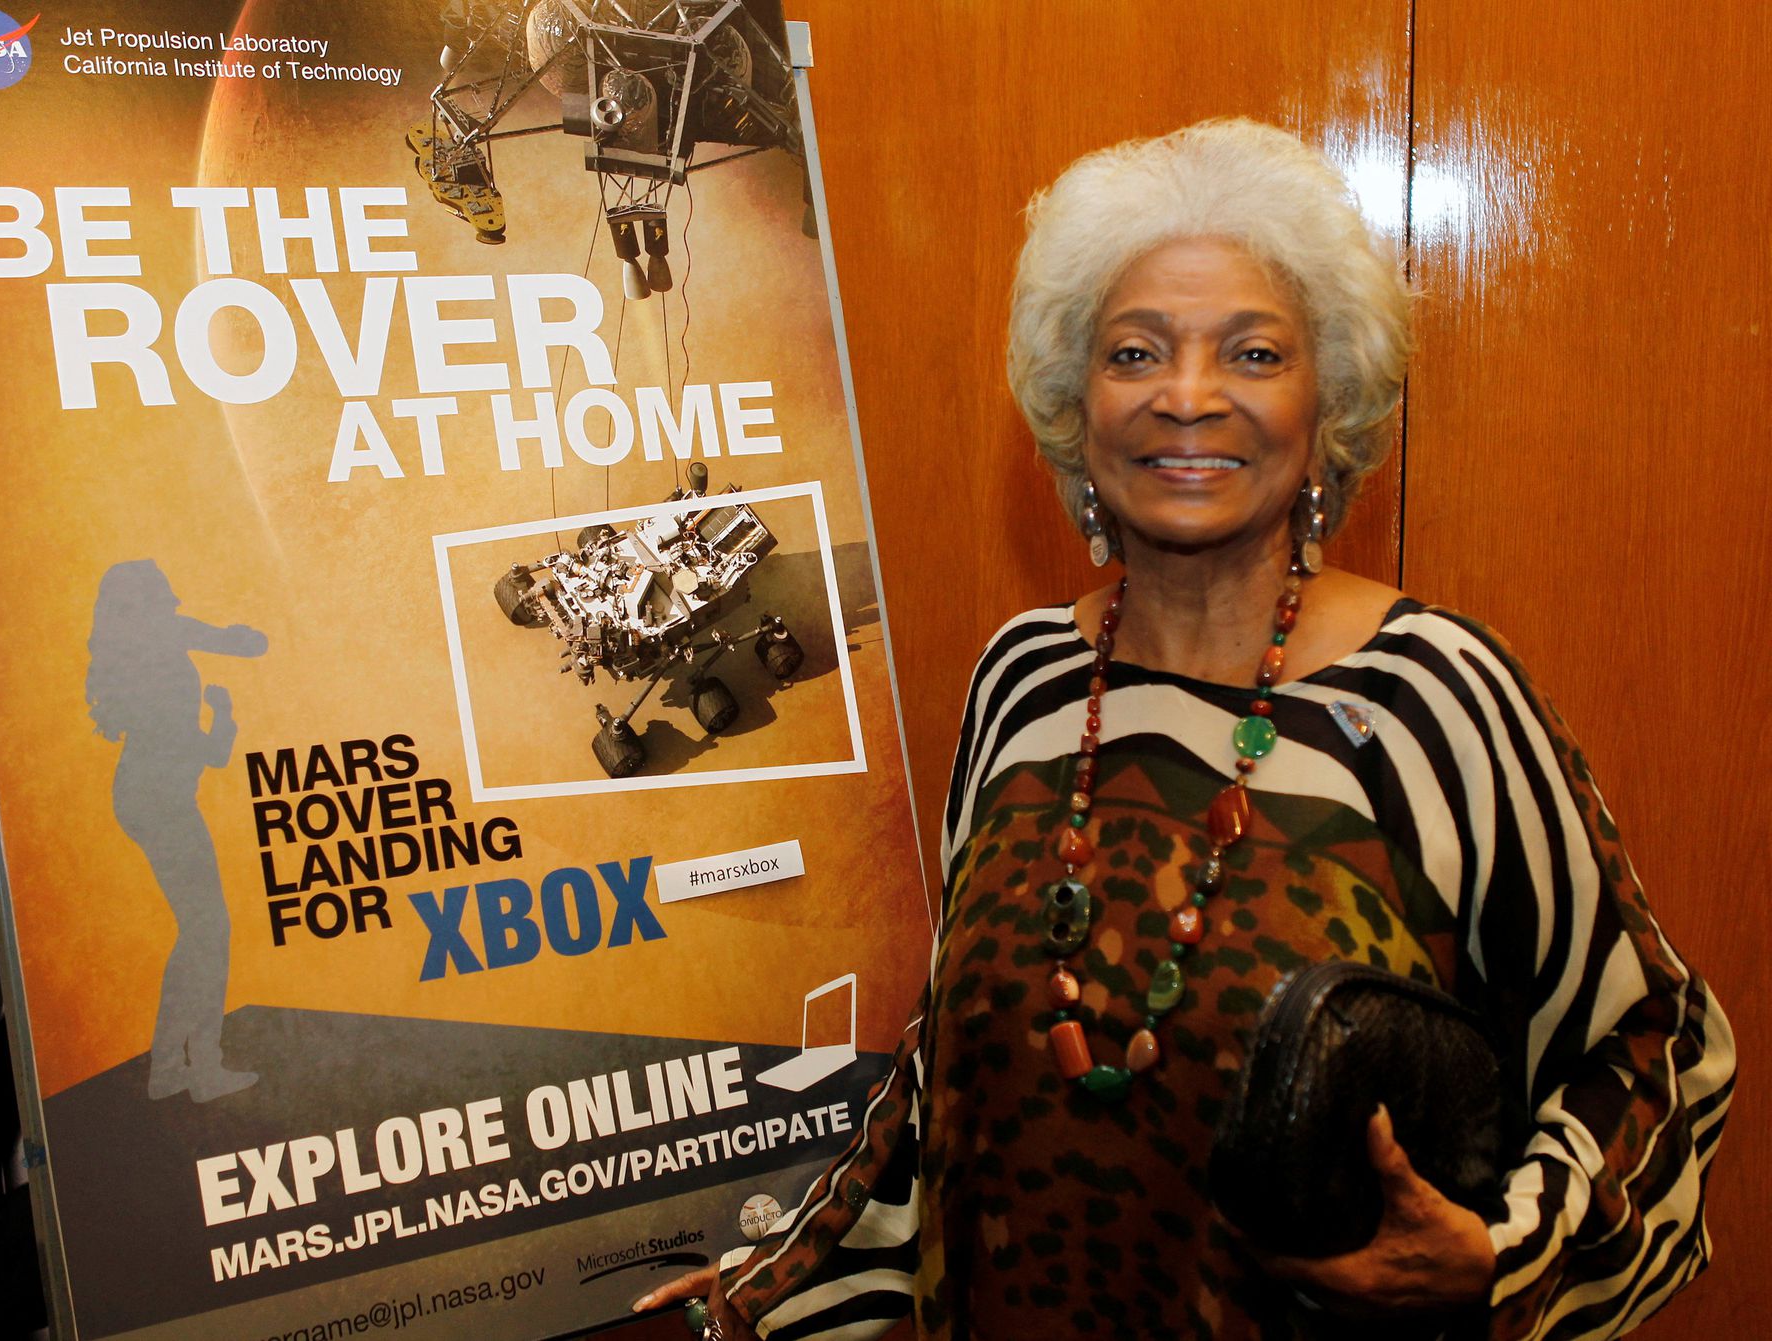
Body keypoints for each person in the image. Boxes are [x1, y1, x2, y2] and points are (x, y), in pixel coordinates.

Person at [634, 119, 1734, 1339]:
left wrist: (1502, 1255)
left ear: (1329, 404)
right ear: (1077, 404)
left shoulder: (1433, 697)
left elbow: (1655, 1044)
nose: (1188, 397)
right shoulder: (1027, 678)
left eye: (1253, 353)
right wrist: (777, 1287)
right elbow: (950, 1061)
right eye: (1136, 351)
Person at [86, 558, 268, 1103]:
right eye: (162, 598)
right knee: (208, 930)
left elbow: (210, 754)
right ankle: (199, 1069)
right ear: (147, 605)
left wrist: (223, 712)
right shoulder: (161, 642)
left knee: (200, 933)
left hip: (147, 797)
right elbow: (248, 645)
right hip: (160, 802)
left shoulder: (135, 657)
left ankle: (170, 1069)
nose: (171, 607)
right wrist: (238, 640)